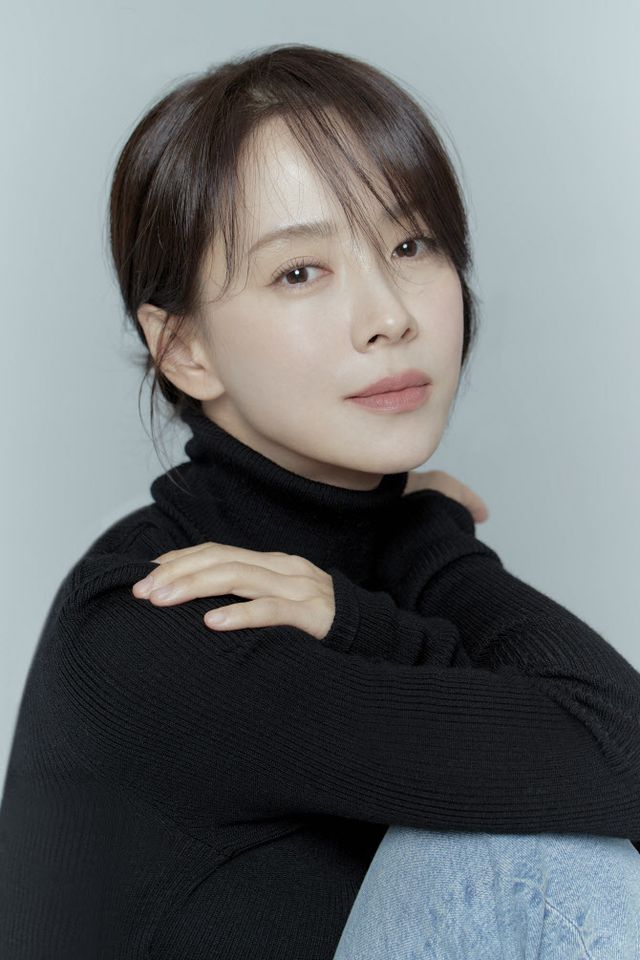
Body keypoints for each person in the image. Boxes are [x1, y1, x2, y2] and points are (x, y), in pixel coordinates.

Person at [1, 41, 639, 959]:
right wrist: (425, 543)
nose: (390, 316)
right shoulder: (158, 619)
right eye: (299, 272)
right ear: (184, 350)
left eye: (410, 245)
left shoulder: (375, 558)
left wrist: (409, 547)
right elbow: (621, 753)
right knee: (527, 855)